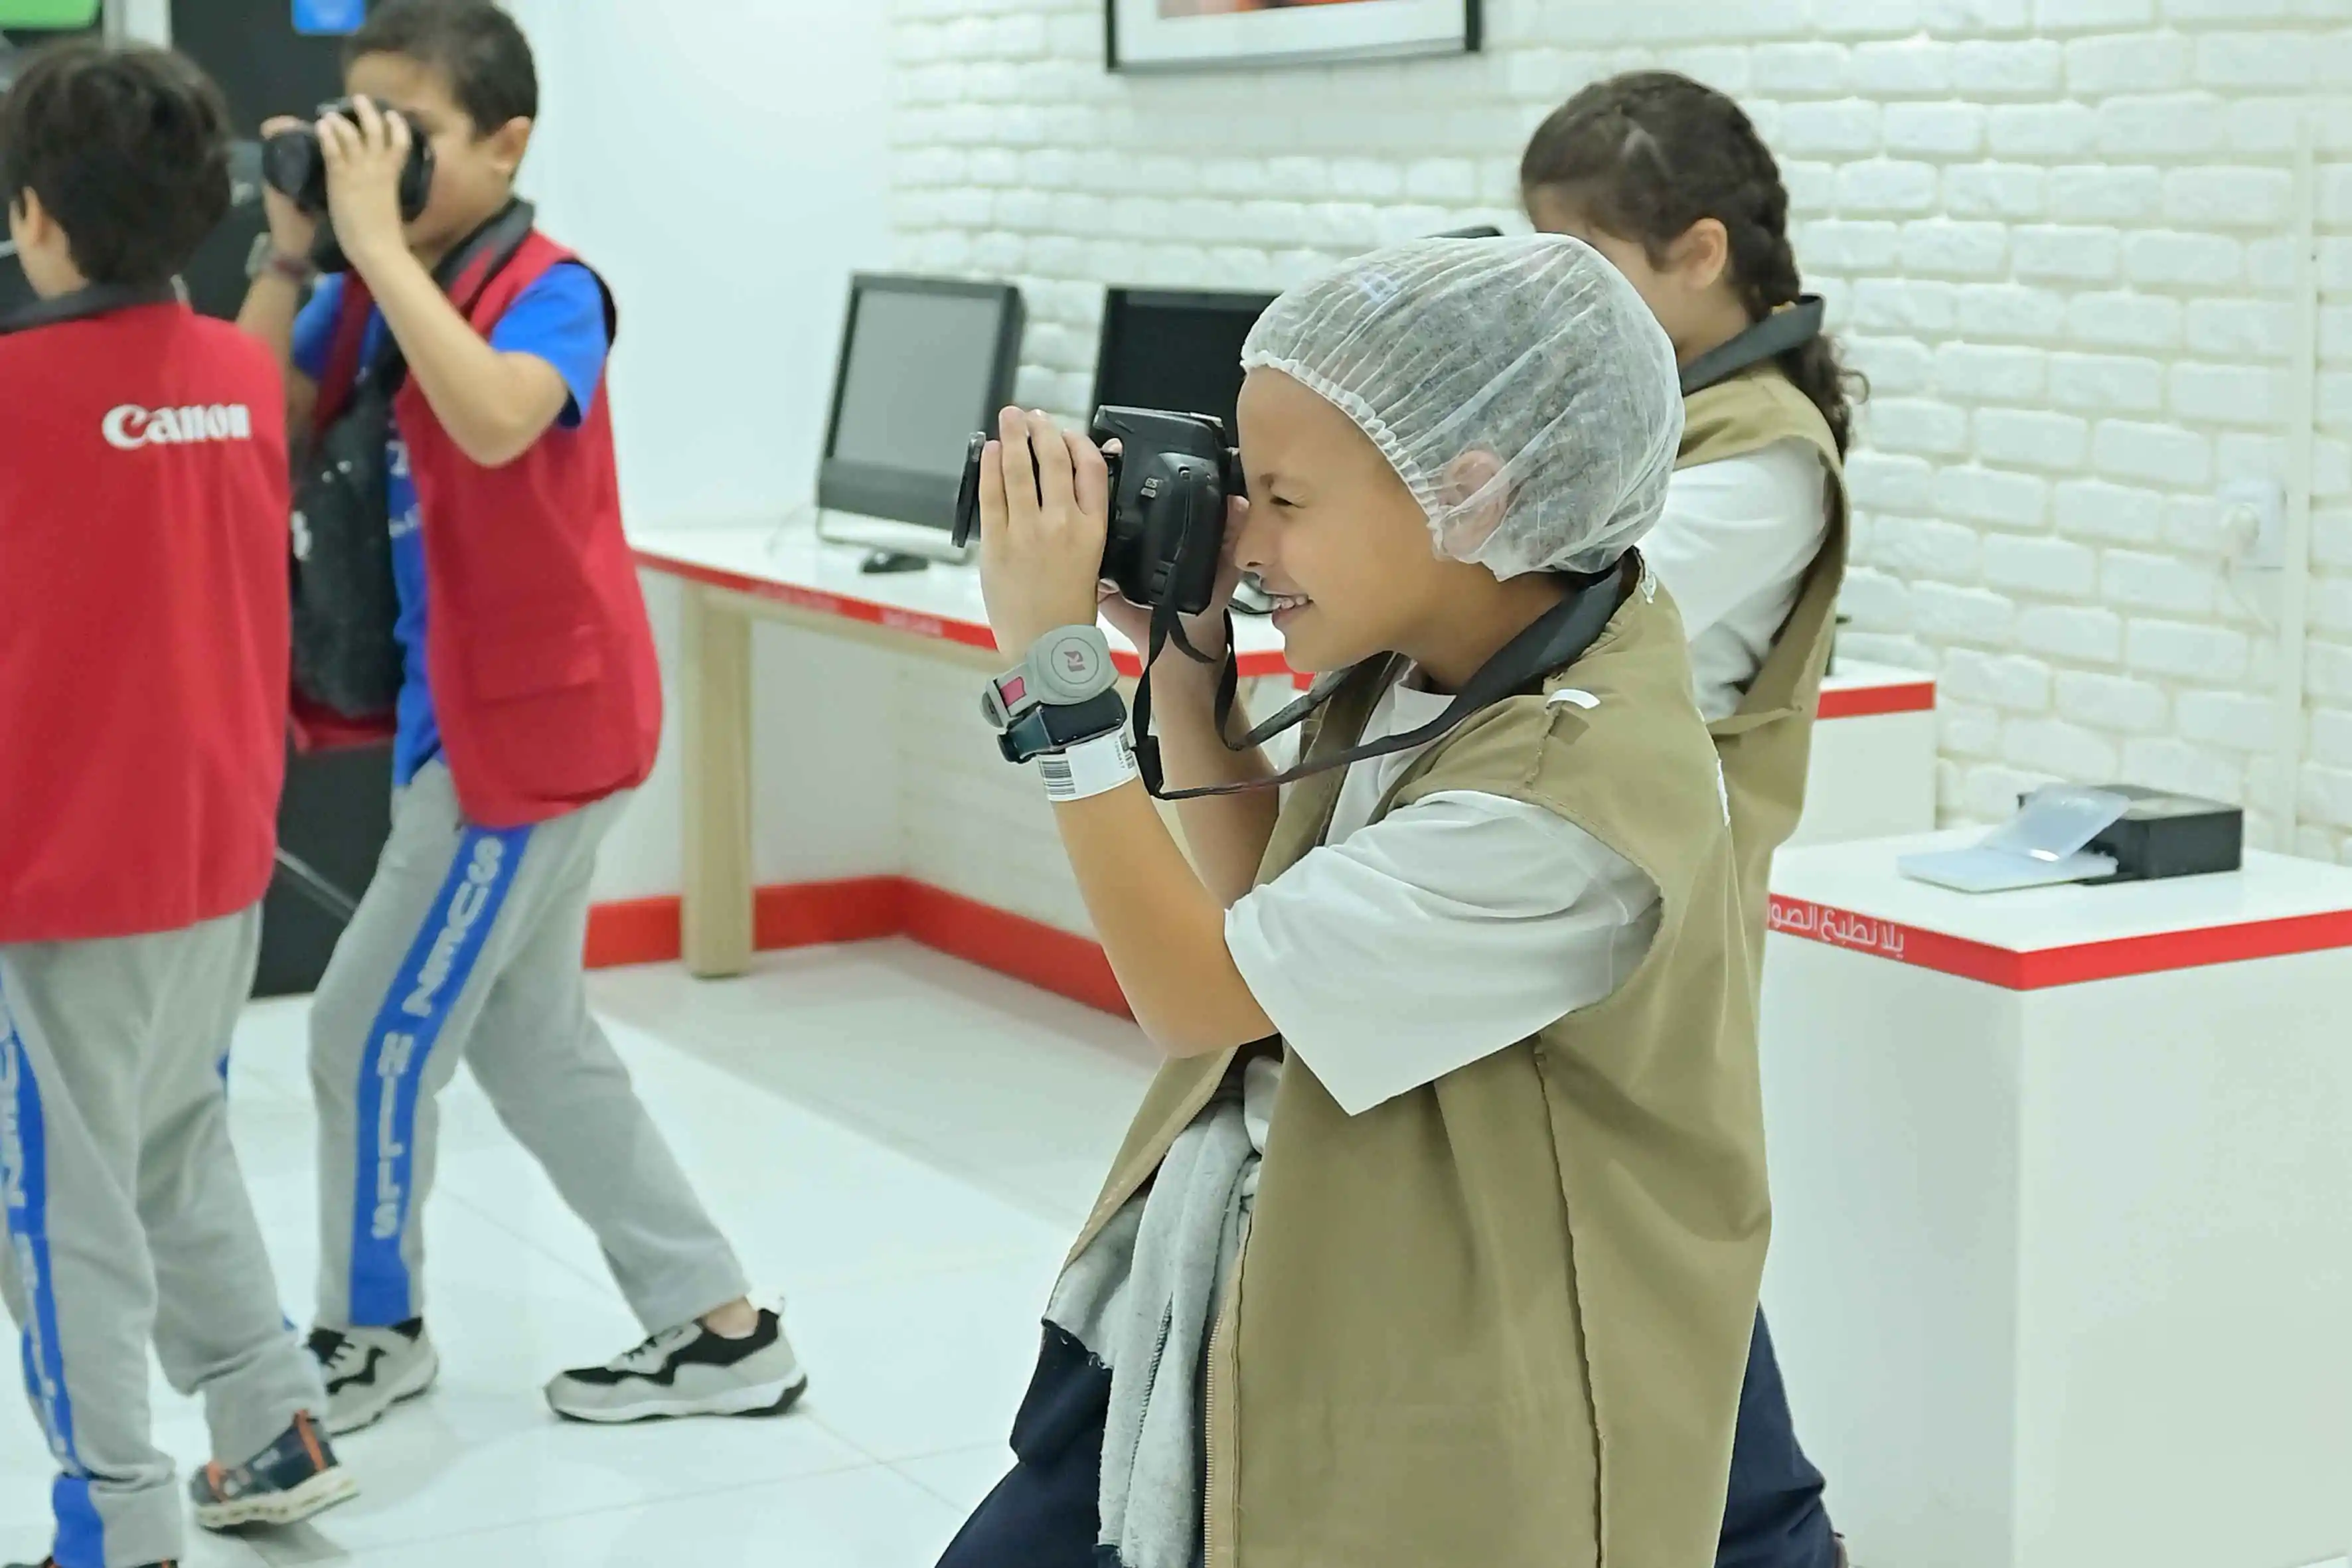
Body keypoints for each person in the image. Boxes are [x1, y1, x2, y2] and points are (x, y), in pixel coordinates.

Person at [940, 236, 1766, 1567]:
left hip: (1458, 1346)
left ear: (1473, 497)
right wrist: (1188, 673)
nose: (1248, 539)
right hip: (1290, 1253)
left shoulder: (1558, 804)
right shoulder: (1443, 651)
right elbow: (1273, 901)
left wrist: (1058, 680)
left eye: (1283, 499)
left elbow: (1203, 996)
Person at [233, 0, 803, 1433]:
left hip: (532, 743)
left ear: (507, 144)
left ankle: (371, 1332)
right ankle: (720, 1326)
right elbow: (248, 421)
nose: (380, 160)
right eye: (358, 126)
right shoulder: (377, 283)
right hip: (466, 720)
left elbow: (497, 417)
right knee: (534, 1042)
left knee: (361, 1030)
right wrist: (297, 249)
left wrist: (373, 247)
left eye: (411, 134)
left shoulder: (552, 288)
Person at [0, 42, 355, 1568]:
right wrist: (284, 259)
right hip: (214, 854)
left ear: (34, 215)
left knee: (59, 1202)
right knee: (171, 1146)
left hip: (57, 878)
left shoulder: (13, 395)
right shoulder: (233, 378)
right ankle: (270, 1418)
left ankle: (118, 1516)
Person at [1521, 70, 1865, 1568]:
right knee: (1631, 1250)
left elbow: (1575, 609)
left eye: (1586, 264)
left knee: (1659, 1251)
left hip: (1645, 912)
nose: (1558, 304)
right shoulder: (1652, 408)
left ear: (1700, 253)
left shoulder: (1763, 451)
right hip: (1570, 873)